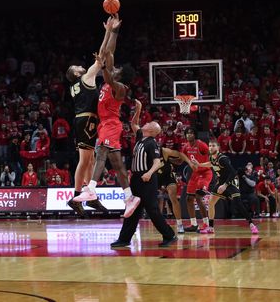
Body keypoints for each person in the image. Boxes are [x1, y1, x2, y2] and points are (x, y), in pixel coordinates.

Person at [73, 36, 140, 218]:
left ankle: (91, 189)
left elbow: (109, 76)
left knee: (101, 152)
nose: (114, 68)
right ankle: (129, 198)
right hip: (105, 125)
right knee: (118, 165)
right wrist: (114, 31)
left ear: (121, 75)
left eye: (117, 69)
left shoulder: (120, 87)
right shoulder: (111, 78)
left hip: (111, 125)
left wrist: (103, 67)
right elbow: (109, 52)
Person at [65, 16, 119, 216]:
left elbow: (101, 57)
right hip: (86, 120)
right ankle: (77, 196)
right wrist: (108, 31)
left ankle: (91, 196)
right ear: (76, 74)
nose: (79, 66)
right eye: (76, 68)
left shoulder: (76, 86)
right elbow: (103, 55)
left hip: (83, 120)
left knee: (90, 159)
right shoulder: (87, 76)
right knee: (84, 160)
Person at [110, 119, 177, 249]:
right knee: (132, 209)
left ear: (151, 130)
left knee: (152, 210)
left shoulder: (152, 143)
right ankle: (124, 239)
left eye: (148, 124)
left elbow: (157, 162)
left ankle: (169, 235)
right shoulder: (141, 137)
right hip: (136, 178)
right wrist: (138, 109)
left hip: (147, 179)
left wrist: (149, 173)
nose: (145, 124)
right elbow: (133, 123)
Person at [204, 138, 258, 235]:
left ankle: (252, 225)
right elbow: (210, 164)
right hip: (221, 182)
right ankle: (211, 227)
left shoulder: (222, 159)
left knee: (238, 204)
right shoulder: (212, 157)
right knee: (211, 202)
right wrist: (198, 164)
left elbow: (233, 172)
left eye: (213, 146)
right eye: (210, 146)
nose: (211, 147)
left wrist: (225, 185)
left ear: (218, 147)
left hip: (231, 182)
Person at [180, 127, 212, 233]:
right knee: (189, 198)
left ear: (195, 135)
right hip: (195, 174)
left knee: (198, 196)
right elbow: (181, 158)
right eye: (187, 133)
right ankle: (193, 224)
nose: (189, 135)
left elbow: (212, 157)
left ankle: (206, 223)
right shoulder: (186, 146)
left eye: (191, 133)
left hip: (205, 173)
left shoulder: (201, 144)